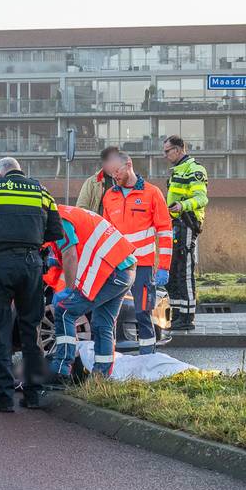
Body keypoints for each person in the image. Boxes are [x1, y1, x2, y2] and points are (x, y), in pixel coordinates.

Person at [0, 157, 63, 412]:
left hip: (0, 265)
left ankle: (4, 397)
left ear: (0, 172)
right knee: (31, 329)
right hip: (32, 266)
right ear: (20, 171)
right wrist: (32, 240)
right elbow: (56, 232)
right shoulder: (42, 191)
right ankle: (33, 394)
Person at [49, 205, 137, 379]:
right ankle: (100, 377)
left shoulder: (59, 220)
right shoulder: (69, 213)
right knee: (103, 324)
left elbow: (70, 255)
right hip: (125, 268)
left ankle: (61, 370)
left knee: (64, 310)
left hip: (112, 271)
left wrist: (69, 289)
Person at [99, 150, 172, 354]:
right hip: (117, 267)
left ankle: (147, 359)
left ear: (128, 164)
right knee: (112, 314)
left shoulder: (152, 193)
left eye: (117, 172)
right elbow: (106, 232)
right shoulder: (109, 196)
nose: (114, 177)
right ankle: (113, 359)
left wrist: (164, 267)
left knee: (143, 314)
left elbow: (165, 232)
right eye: (111, 174)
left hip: (143, 266)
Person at [162, 135, 208, 331]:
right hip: (176, 224)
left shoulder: (194, 169)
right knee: (174, 271)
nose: (165, 155)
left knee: (185, 271)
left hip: (187, 222)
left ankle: (187, 318)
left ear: (179, 149)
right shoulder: (178, 170)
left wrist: (182, 205)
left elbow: (201, 198)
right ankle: (177, 315)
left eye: (167, 151)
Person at [74, 146, 122, 214]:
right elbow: (81, 208)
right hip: (98, 223)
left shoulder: (126, 181)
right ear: (104, 163)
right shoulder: (92, 182)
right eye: (112, 160)